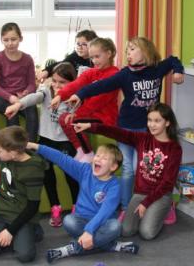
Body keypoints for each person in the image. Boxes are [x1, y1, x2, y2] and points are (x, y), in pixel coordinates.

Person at [64, 37, 185, 219]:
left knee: (142, 168)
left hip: (147, 130)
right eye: (127, 51)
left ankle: (154, 204)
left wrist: (178, 71)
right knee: (128, 169)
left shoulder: (157, 69)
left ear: (145, 52)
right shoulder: (125, 74)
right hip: (126, 129)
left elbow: (173, 59)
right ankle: (126, 208)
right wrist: (80, 94)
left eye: (132, 50)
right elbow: (101, 86)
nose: (128, 54)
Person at [74, 102, 182, 240]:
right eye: (149, 120)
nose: (152, 124)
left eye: (157, 121)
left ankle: (166, 209)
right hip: (140, 194)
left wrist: (146, 203)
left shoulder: (174, 149)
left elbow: (168, 183)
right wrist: (90, 127)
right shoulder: (143, 139)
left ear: (167, 123)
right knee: (126, 231)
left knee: (146, 233)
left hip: (161, 195)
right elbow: (117, 132)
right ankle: (150, 212)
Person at [27, 141, 140, 263]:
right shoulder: (85, 171)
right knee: (68, 220)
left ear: (113, 167)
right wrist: (35, 146)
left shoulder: (115, 186)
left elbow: (104, 212)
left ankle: (73, 248)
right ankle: (109, 245)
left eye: (104, 158)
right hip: (82, 220)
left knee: (115, 226)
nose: (98, 159)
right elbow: (60, 158)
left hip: (103, 222)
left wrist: (89, 231)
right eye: (97, 155)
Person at [5, 62, 80, 227]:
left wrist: (73, 109)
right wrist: (18, 104)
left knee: (71, 176)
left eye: (62, 82)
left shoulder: (75, 97)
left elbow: (79, 117)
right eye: (54, 80)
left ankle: (77, 207)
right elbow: (34, 98)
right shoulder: (46, 91)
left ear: (71, 83)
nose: (57, 85)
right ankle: (55, 207)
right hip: (46, 140)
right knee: (47, 173)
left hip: (66, 142)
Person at [0, 126, 46, 263]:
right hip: (1, 210)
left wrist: (11, 231)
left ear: (13, 153)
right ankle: (14, 234)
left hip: (23, 214)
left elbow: (33, 205)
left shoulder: (33, 169)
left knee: (25, 256)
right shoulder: (6, 155)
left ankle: (34, 230)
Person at [50, 37, 120, 162]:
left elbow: (99, 101)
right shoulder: (91, 72)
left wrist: (76, 114)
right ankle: (81, 151)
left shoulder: (115, 75)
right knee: (63, 118)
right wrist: (59, 95)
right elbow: (76, 84)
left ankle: (88, 154)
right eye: (92, 58)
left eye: (97, 57)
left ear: (109, 54)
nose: (94, 61)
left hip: (105, 117)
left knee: (73, 120)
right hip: (90, 114)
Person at [0, 22, 39, 141]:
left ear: (20, 39)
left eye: (13, 39)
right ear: (1, 40)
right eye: (6, 40)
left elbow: (32, 83)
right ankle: (12, 148)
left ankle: (30, 149)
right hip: (1, 98)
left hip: (22, 97)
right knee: (12, 113)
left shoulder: (27, 59)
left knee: (32, 112)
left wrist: (26, 92)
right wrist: (10, 97)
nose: (10, 43)